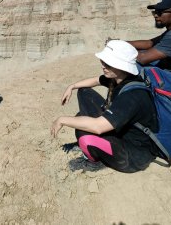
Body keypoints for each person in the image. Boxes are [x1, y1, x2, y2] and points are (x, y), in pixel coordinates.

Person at [50, 40, 160, 173]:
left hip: (133, 155)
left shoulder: (133, 96)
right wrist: (71, 86)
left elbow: (98, 127)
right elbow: (96, 80)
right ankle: (100, 144)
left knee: (85, 136)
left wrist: (62, 119)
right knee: (84, 92)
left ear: (121, 65)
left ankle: (94, 162)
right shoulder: (121, 78)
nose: (103, 66)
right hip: (123, 131)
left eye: (108, 63)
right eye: (103, 61)